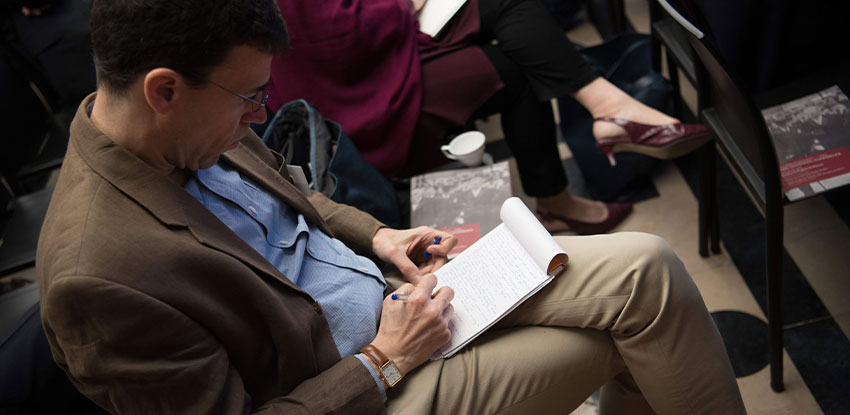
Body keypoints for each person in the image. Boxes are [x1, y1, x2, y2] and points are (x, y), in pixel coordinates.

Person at [36, 0, 746, 413]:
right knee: (624, 336)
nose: (260, 114)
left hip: (394, 302)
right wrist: (384, 359)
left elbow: (289, 192)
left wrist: (379, 237)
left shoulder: (182, 124)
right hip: (365, 382)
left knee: (649, 270)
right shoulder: (98, 277)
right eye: (250, 97)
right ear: (163, 90)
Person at [269, 0, 710, 234]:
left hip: (367, 41)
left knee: (509, 5)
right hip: (348, 84)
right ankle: (559, 198)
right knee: (515, 73)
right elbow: (322, 31)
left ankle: (607, 107)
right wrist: (402, 5)